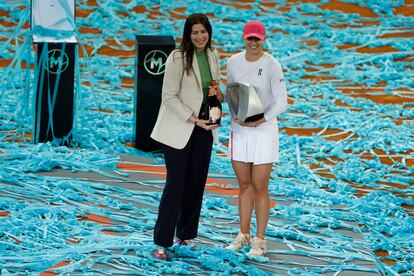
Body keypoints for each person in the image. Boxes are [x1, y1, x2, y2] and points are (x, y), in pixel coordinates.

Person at [150, 13, 224, 260]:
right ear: (187, 34)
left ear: (209, 33)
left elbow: (215, 92)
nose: (200, 37)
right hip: (181, 128)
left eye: (203, 32)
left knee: (196, 184)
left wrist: (219, 94)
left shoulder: (213, 56)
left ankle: (185, 235)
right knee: (175, 186)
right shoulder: (177, 58)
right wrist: (194, 119)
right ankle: (162, 241)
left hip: (206, 129)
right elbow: (168, 97)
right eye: (195, 32)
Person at [225, 20, 288, 256]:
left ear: (263, 39)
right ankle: (243, 234)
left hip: (263, 131)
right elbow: (233, 93)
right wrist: (221, 99)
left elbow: (282, 101)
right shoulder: (233, 62)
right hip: (240, 130)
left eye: (257, 39)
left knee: (260, 185)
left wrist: (261, 119)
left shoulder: (272, 65)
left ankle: (260, 239)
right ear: (243, 38)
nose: (253, 42)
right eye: (249, 38)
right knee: (244, 185)